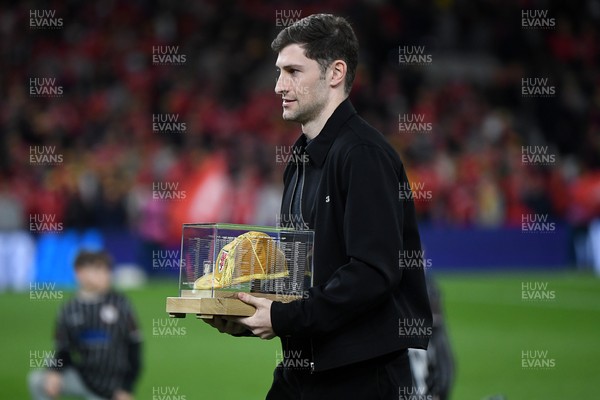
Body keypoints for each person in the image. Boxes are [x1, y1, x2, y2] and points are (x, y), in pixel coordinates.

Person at [206, 13, 432, 399]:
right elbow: (303, 276)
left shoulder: (363, 155)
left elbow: (372, 273)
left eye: (293, 71)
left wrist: (282, 318)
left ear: (335, 73)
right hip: (302, 369)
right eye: (279, 72)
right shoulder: (300, 158)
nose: (279, 86)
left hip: (359, 376)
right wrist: (246, 311)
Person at [28, 250, 142, 400]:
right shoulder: (69, 309)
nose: (105, 275)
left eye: (107, 270)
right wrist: (54, 372)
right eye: (97, 270)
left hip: (112, 385)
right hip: (83, 376)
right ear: (79, 273)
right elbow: (63, 349)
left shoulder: (121, 304)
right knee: (37, 380)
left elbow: (135, 348)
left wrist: (126, 388)